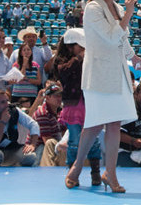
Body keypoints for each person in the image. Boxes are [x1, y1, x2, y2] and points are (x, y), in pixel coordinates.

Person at [65, 0, 141, 193]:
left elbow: (121, 38)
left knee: (114, 123)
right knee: (94, 123)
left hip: (117, 73)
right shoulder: (93, 8)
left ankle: (111, 173)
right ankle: (77, 167)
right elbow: (110, 37)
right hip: (98, 74)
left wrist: (132, 55)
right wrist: (128, 13)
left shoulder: (116, 6)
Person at [55, 28, 102, 183]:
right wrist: (79, 58)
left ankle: (95, 172)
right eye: (79, 46)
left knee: (93, 139)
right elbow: (63, 72)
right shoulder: (61, 61)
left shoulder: (87, 58)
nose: (82, 50)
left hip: (89, 102)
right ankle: (72, 173)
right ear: (70, 46)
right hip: (73, 104)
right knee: (74, 140)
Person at [0, 89, 40, 166]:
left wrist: (32, 144)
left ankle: (19, 174)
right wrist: (2, 122)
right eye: (3, 102)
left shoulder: (13, 110)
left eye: (7, 101)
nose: (7, 104)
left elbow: (33, 124)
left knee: (30, 156)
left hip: (12, 149)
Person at [30, 81, 67, 167]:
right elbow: (46, 141)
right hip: (39, 147)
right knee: (51, 143)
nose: (59, 98)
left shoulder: (61, 112)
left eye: (60, 95)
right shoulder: (42, 113)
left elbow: (63, 133)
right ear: (47, 97)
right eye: (56, 96)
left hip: (54, 144)